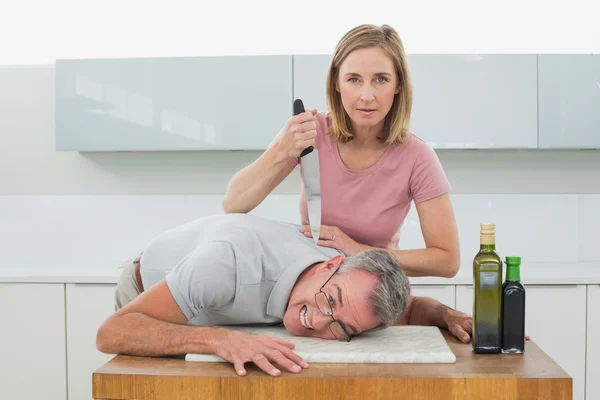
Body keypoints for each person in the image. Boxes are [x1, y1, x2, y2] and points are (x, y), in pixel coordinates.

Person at [98, 213, 473, 377]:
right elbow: (112, 332)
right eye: (331, 302)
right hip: (148, 296)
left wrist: (444, 314)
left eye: (342, 329)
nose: (320, 322)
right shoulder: (229, 261)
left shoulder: (346, 278)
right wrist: (217, 338)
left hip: (216, 305)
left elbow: (407, 310)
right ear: (329, 266)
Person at [222, 24, 460, 279]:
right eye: (354, 79)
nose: (366, 96)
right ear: (337, 82)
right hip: (310, 282)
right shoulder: (311, 133)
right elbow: (234, 204)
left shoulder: (417, 156)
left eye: (381, 79)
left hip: (374, 289)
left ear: (398, 84)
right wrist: (281, 149)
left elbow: (447, 260)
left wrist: (360, 252)